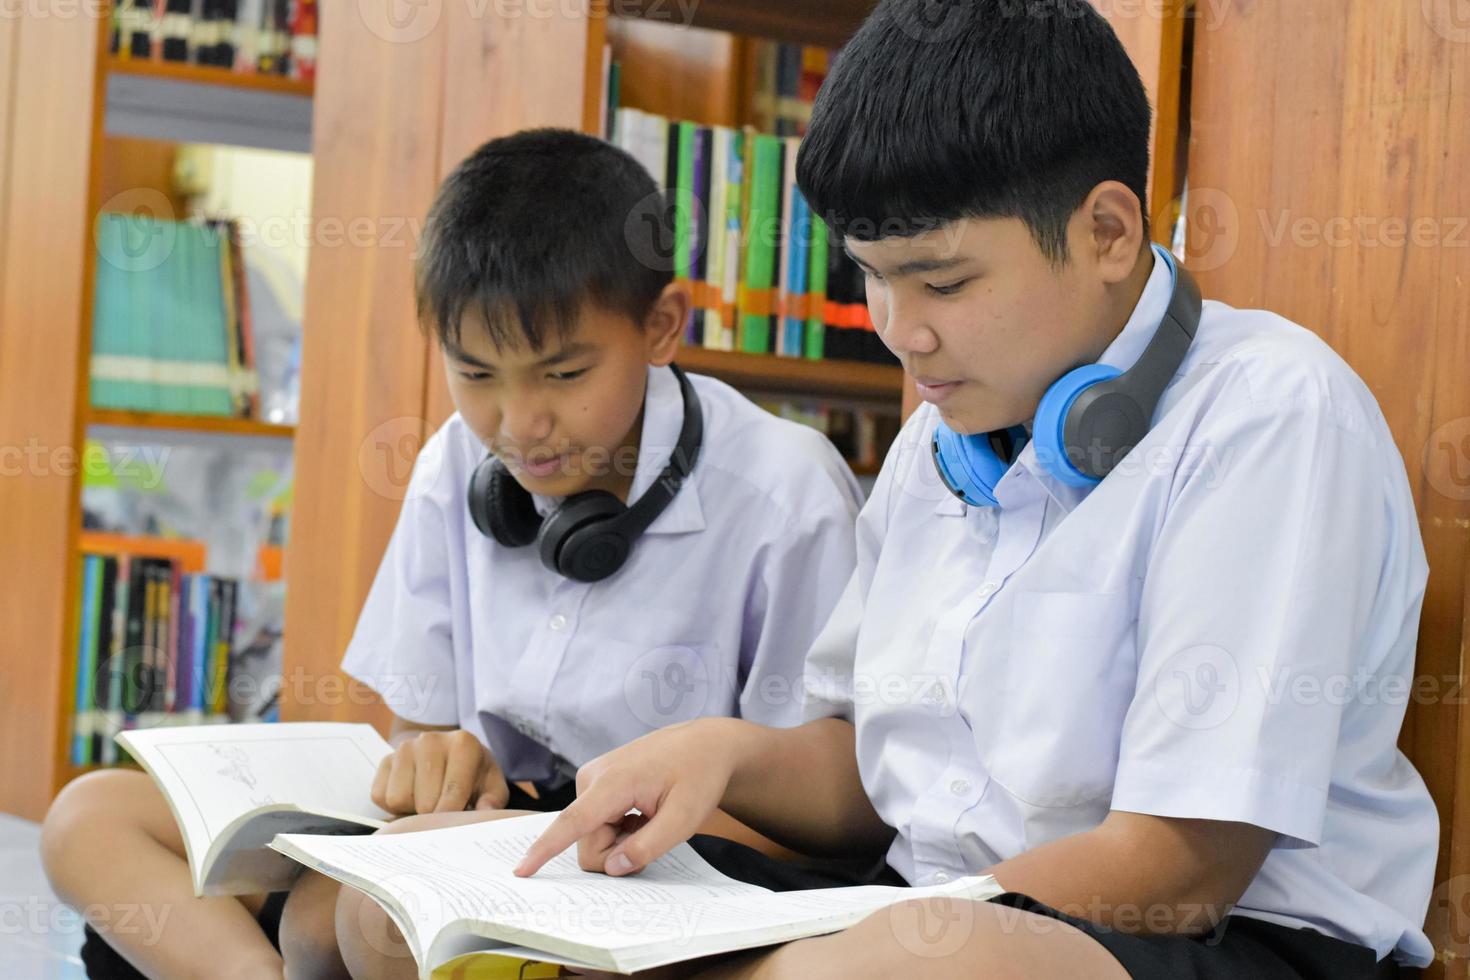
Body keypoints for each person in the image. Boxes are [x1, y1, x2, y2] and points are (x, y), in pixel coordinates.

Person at [509, 3, 1439, 978]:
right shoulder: (939, 436)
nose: (897, 330)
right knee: (522, 875)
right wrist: (721, 751)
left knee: (873, 964)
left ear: (1108, 231)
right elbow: (867, 781)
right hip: (935, 909)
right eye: (871, 276)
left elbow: (1181, 865)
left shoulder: (1271, 413)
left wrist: (866, 938)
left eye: (942, 283)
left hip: (1220, 940)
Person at [42, 128, 864, 980]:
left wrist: (525, 826)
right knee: (90, 819)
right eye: (476, 375)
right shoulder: (456, 461)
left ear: (660, 326)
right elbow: (423, 729)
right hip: (487, 821)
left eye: (563, 375)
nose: (519, 424)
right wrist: (438, 759)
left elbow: (824, 820)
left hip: (669, 857)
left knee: (342, 915)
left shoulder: (783, 494)